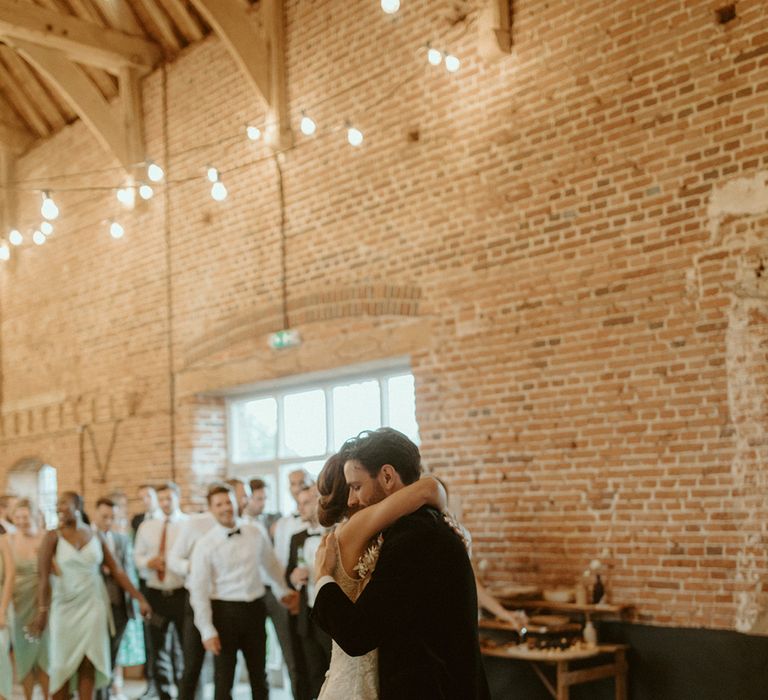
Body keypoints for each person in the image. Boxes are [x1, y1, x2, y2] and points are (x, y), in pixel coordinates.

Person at [312, 428, 491, 699]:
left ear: (386, 476)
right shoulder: (424, 526)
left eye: (357, 486)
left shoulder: (414, 538)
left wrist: (323, 578)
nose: (353, 499)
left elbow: (358, 635)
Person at [28, 491, 151, 700]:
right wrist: (42, 611)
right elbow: (42, 578)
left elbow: (118, 571)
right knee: (60, 664)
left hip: (93, 605)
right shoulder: (52, 537)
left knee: (89, 662)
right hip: (64, 606)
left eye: (64, 503)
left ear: (78, 505)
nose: (59, 508)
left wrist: (139, 597)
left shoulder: (96, 535)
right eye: (58, 504)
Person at [188, 483, 298, 700]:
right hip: (224, 613)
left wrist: (282, 590)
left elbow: (272, 566)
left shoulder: (255, 532)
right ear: (211, 509)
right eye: (219, 504)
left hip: (255, 610)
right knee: (224, 679)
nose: (225, 508)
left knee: (259, 675)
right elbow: (198, 590)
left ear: (235, 502)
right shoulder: (205, 544)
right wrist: (206, 629)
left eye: (228, 501)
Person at [134, 481, 188, 700]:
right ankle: (164, 694)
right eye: (162, 499)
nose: (165, 503)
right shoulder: (147, 527)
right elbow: (136, 557)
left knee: (186, 647)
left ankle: (187, 693)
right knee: (158, 648)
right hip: (156, 595)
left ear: (178, 498)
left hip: (182, 594)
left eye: (169, 498)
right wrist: (149, 562)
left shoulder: (188, 524)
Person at [269, 469, 313, 700]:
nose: (297, 487)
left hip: (311, 598)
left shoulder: (320, 522)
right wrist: (285, 594)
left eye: (302, 483)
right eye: (293, 483)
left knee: (315, 661)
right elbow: (278, 563)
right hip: (289, 598)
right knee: (295, 662)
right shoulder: (284, 524)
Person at [167, 507, 217, 700]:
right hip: (196, 598)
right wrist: (192, 567)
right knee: (192, 664)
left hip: (225, 602)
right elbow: (173, 559)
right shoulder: (195, 523)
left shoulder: (245, 527)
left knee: (224, 668)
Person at [285, 486, 329, 699]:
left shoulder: (335, 533)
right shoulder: (297, 538)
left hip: (331, 617)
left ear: (319, 502)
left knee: (334, 673)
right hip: (307, 615)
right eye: (298, 503)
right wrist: (293, 578)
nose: (299, 507)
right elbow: (288, 573)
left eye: (306, 502)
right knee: (313, 673)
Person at [93, 497, 136, 700]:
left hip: (119, 604)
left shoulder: (122, 539)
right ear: (95, 514)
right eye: (104, 517)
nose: (108, 521)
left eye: (112, 517)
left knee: (113, 651)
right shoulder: (88, 538)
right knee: (98, 652)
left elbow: (126, 571)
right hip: (95, 605)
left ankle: (108, 691)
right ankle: (98, 693)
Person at [9, 499, 49, 700]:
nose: (21, 521)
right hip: (18, 605)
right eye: (18, 517)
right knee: (23, 657)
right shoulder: (9, 540)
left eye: (25, 516)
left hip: (42, 603)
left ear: (34, 516)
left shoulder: (46, 538)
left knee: (45, 657)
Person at [0, 529, 15, 700]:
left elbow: (11, 575)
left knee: (1, 659)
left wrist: (2, 611)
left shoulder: (3, 539)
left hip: (1, 606)